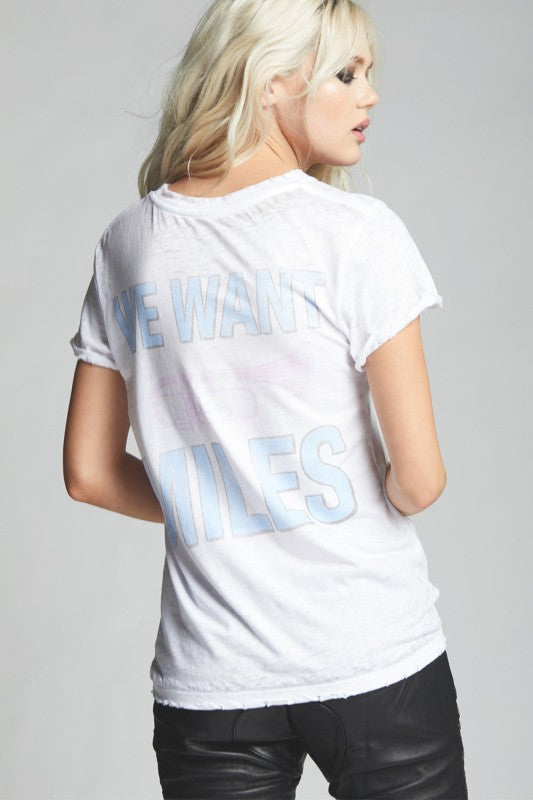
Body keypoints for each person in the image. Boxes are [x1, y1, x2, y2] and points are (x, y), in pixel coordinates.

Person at [63, 0, 469, 797]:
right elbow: (419, 481)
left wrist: (226, 499)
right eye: (345, 73)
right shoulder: (354, 232)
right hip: (373, 655)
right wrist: (324, 498)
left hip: (212, 681)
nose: (369, 94)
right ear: (271, 81)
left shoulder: (130, 241)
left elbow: (90, 473)